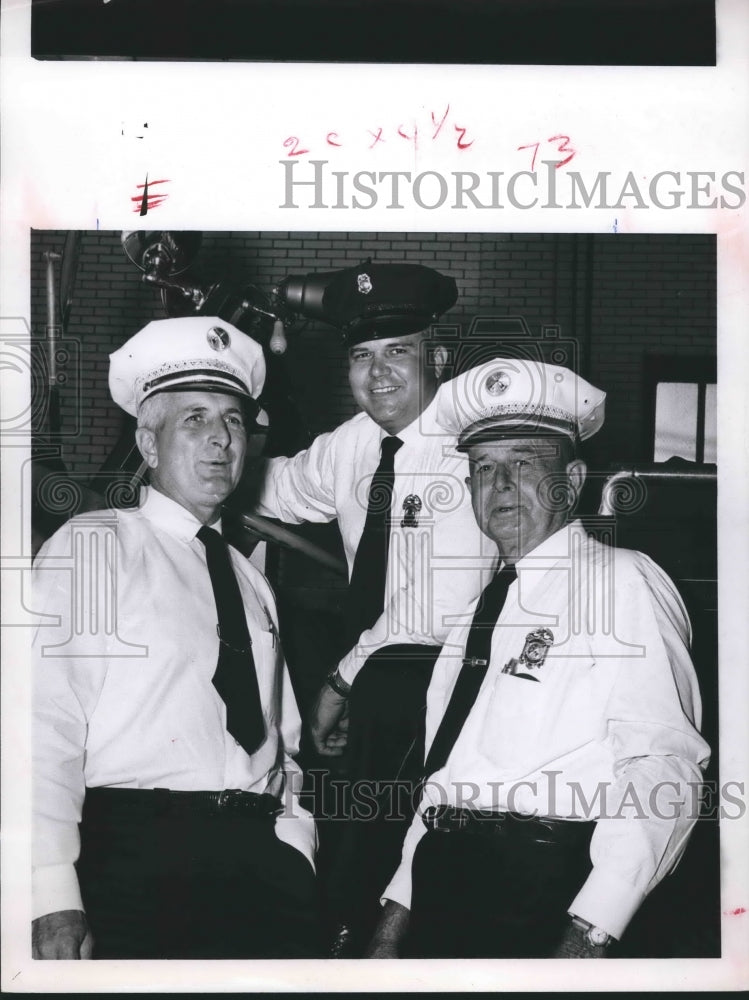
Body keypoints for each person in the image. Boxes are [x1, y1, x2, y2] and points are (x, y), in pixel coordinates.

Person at [366, 357, 710, 959]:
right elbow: (444, 781)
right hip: (447, 884)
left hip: (548, 888)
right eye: (482, 468)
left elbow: (665, 769)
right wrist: (393, 925)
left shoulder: (620, 583)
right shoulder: (476, 615)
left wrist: (592, 929)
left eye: (523, 464)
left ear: (572, 482)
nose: (498, 486)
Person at [31, 316, 321, 960]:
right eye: (194, 418)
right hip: (134, 861)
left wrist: (295, 849)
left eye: (234, 420)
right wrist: (51, 893)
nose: (220, 439)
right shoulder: (93, 546)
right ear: (149, 442)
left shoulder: (252, 581)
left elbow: (284, 744)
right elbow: (39, 726)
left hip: (259, 870)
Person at [252, 263, 488, 952]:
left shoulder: (468, 445)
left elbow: (445, 596)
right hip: (376, 677)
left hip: (449, 673)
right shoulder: (353, 443)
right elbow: (283, 487)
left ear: (436, 357)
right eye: (361, 355)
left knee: (401, 855)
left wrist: (337, 681)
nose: (377, 374)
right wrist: (208, 452)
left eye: (398, 352)